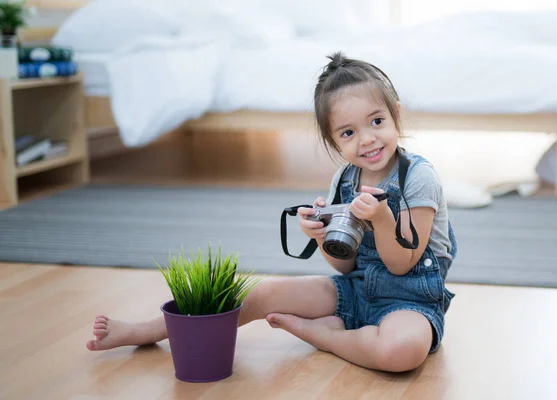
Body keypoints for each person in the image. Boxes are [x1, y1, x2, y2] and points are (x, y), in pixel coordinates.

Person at [86, 51, 457, 373]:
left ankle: (326, 336)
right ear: (333, 141)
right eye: (347, 133)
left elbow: (402, 264)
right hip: (356, 289)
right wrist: (322, 237)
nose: (367, 139)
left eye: (376, 121)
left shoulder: (418, 178)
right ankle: (144, 331)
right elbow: (345, 266)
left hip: (410, 300)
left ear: (396, 115)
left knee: (402, 351)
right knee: (259, 294)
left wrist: (381, 219)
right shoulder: (345, 178)